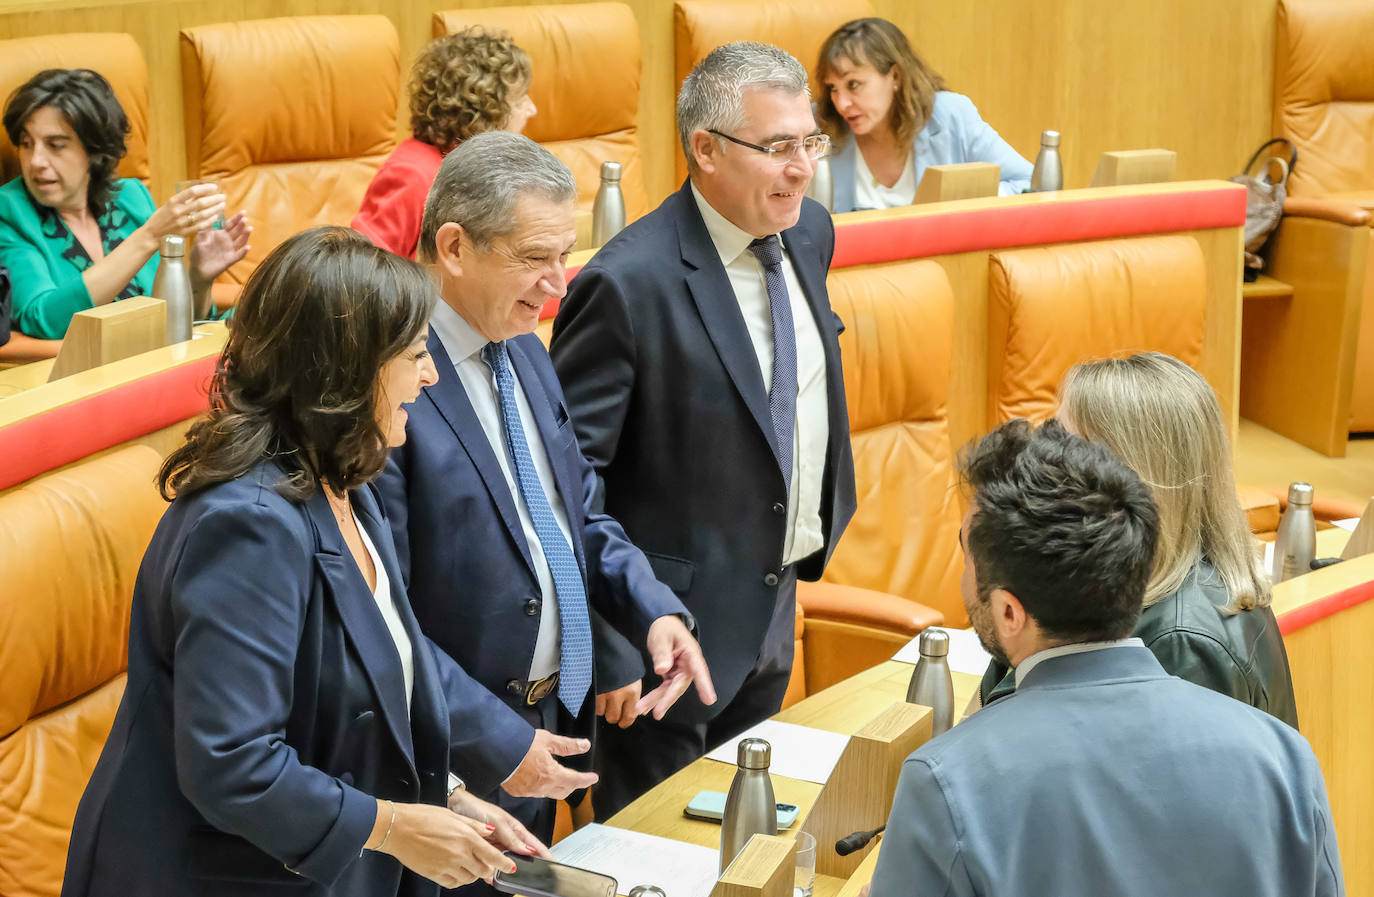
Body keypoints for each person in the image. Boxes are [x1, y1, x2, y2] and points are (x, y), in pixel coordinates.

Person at [61, 227, 550, 897]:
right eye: (415, 355)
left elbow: (381, 670)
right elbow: (232, 763)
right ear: (348, 372)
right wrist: (394, 825)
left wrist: (446, 794)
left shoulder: (342, 478)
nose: (430, 374)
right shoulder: (249, 524)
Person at [377, 131, 714, 847]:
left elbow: (575, 515)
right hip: (447, 759)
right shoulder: (388, 381)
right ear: (455, 246)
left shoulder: (527, 348)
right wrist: (494, 740)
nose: (560, 283)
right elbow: (383, 616)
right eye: (535, 258)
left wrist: (651, 610)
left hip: (554, 726)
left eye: (565, 254)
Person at [550, 42, 856, 819]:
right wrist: (613, 646)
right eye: (778, 147)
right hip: (663, 649)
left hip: (772, 607)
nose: (802, 167)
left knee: (746, 847)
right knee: (658, 856)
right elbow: (566, 482)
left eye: (809, 142)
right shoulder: (626, 283)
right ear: (706, 150)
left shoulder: (809, 233)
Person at [869, 419, 1343, 897]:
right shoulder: (1286, 759)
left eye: (966, 557)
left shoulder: (945, 784)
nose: (964, 578)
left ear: (1010, 611)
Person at [977, 353, 1298, 727]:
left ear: (1129, 476)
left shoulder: (1181, 643)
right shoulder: (1121, 583)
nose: (1043, 461)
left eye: (1064, 446)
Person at [0, 68, 250, 341]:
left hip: (153, 364)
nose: (35, 161)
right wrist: (150, 236)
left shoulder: (130, 196)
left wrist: (200, 278)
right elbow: (42, 319)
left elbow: (172, 325)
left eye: (55, 145)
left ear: (94, 152)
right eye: (26, 144)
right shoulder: (9, 211)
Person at [352, 28, 536, 259]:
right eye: (520, 100)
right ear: (483, 111)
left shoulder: (482, 166)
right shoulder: (412, 174)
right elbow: (363, 270)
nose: (532, 109)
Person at [816, 17, 1032, 211]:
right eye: (833, 88)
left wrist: (970, 200)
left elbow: (1030, 184)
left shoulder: (950, 115)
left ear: (895, 76)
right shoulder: (818, 125)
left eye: (854, 84)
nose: (841, 103)